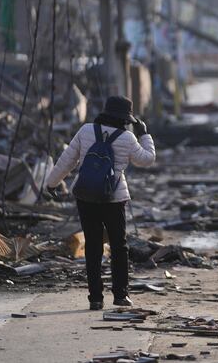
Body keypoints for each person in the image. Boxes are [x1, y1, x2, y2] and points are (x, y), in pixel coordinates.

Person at [44, 96, 156, 310]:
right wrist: (145, 134)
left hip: (86, 195)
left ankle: (95, 298)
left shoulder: (86, 131)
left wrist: (52, 183)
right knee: (118, 245)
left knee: (93, 245)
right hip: (114, 198)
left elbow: (67, 160)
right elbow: (147, 159)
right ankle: (120, 295)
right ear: (126, 118)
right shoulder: (128, 138)